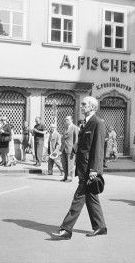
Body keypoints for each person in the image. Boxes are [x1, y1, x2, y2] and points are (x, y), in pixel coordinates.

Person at [52, 96, 107, 240]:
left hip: (89, 169)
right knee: (91, 198)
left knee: (78, 198)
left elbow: (98, 148)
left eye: (84, 104)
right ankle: (100, 227)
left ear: (93, 107)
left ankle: (66, 229)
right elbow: (82, 143)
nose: (81, 106)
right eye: (81, 104)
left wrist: (94, 170)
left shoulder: (98, 123)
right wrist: (66, 149)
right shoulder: (85, 123)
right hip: (83, 167)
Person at [60, 116, 79, 182]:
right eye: (65, 120)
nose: (66, 121)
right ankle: (65, 176)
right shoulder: (65, 127)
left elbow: (76, 140)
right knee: (64, 163)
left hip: (70, 148)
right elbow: (63, 138)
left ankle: (69, 177)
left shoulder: (75, 128)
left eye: (67, 120)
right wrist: (60, 148)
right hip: (64, 148)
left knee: (70, 163)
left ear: (71, 120)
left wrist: (74, 149)